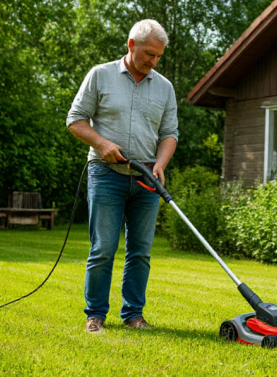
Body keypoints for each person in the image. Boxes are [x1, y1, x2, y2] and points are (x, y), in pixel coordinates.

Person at [66, 19, 178, 334]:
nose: (153, 62)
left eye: (159, 57)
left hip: (146, 179)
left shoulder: (164, 87)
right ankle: (95, 316)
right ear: (131, 45)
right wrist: (101, 144)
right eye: (149, 54)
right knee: (103, 247)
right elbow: (75, 119)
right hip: (106, 175)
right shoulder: (100, 75)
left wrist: (161, 164)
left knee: (140, 251)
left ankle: (133, 315)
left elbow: (169, 134)